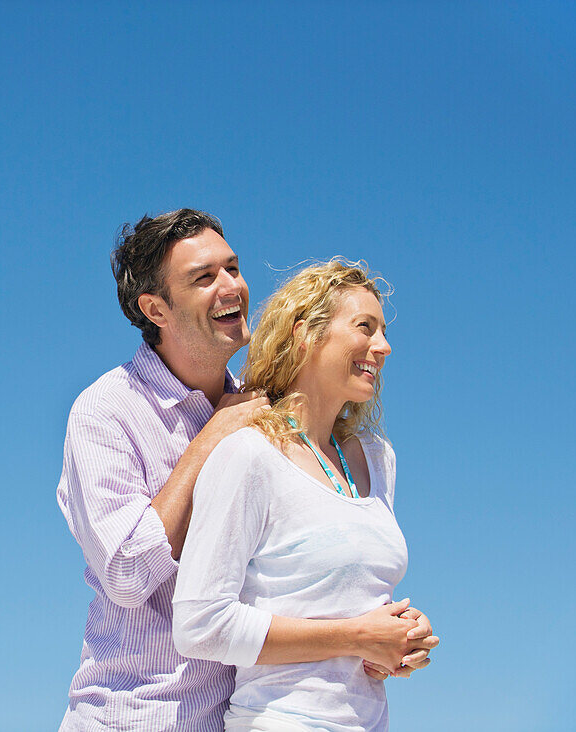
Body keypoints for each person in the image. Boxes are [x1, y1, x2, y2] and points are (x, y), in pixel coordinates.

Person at [56, 215, 431, 731]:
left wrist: (383, 639)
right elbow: (125, 574)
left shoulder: (267, 415)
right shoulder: (107, 411)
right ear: (155, 308)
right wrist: (212, 435)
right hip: (136, 716)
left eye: (233, 268)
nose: (233, 286)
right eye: (204, 277)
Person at [172, 259, 439, 731]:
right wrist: (357, 636)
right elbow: (200, 627)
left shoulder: (377, 459)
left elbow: (352, 604)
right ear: (305, 334)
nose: (384, 346)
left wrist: (398, 640)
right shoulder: (250, 455)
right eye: (365, 327)